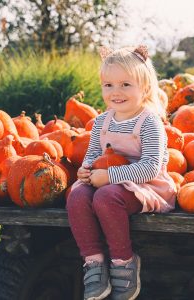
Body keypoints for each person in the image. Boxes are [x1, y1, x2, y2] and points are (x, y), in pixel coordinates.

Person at [66, 45, 176, 300]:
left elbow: (150, 166)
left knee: (106, 197)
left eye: (126, 84)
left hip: (146, 185)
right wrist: (86, 169)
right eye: (109, 85)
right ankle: (93, 262)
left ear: (145, 88)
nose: (116, 92)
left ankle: (123, 261)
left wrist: (111, 177)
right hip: (108, 181)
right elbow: (93, 153)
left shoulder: (149, 122)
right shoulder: (103, 121)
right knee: (77, 195)